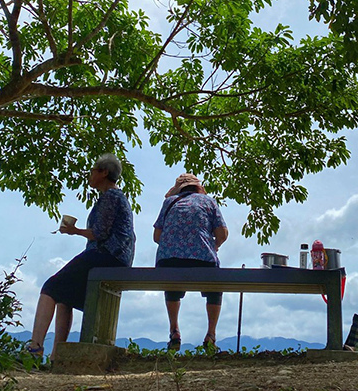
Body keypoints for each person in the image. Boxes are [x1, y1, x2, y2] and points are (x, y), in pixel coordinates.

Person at [27, 154, 136, 360]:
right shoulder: (113, 197)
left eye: (94, 170)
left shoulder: (111, 196)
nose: (90, 174)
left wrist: (74, 230)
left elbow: (99, 233)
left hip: (107, 255)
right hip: (115, 256)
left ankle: (35, 347)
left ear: (104, 172)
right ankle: (57, 355)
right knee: (64, 296)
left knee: (50, 287)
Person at [153, 173, 228, 351]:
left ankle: (174, 330)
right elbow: (222, 234)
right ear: (198, 187)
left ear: (178, 189)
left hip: (169, 262)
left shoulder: (169, 202)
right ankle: (211, 334)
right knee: (215, 287)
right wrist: (213, 245)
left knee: (171, 284)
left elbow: (157, 237)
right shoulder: (208, 202)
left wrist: (176, 244)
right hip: (202, 261)